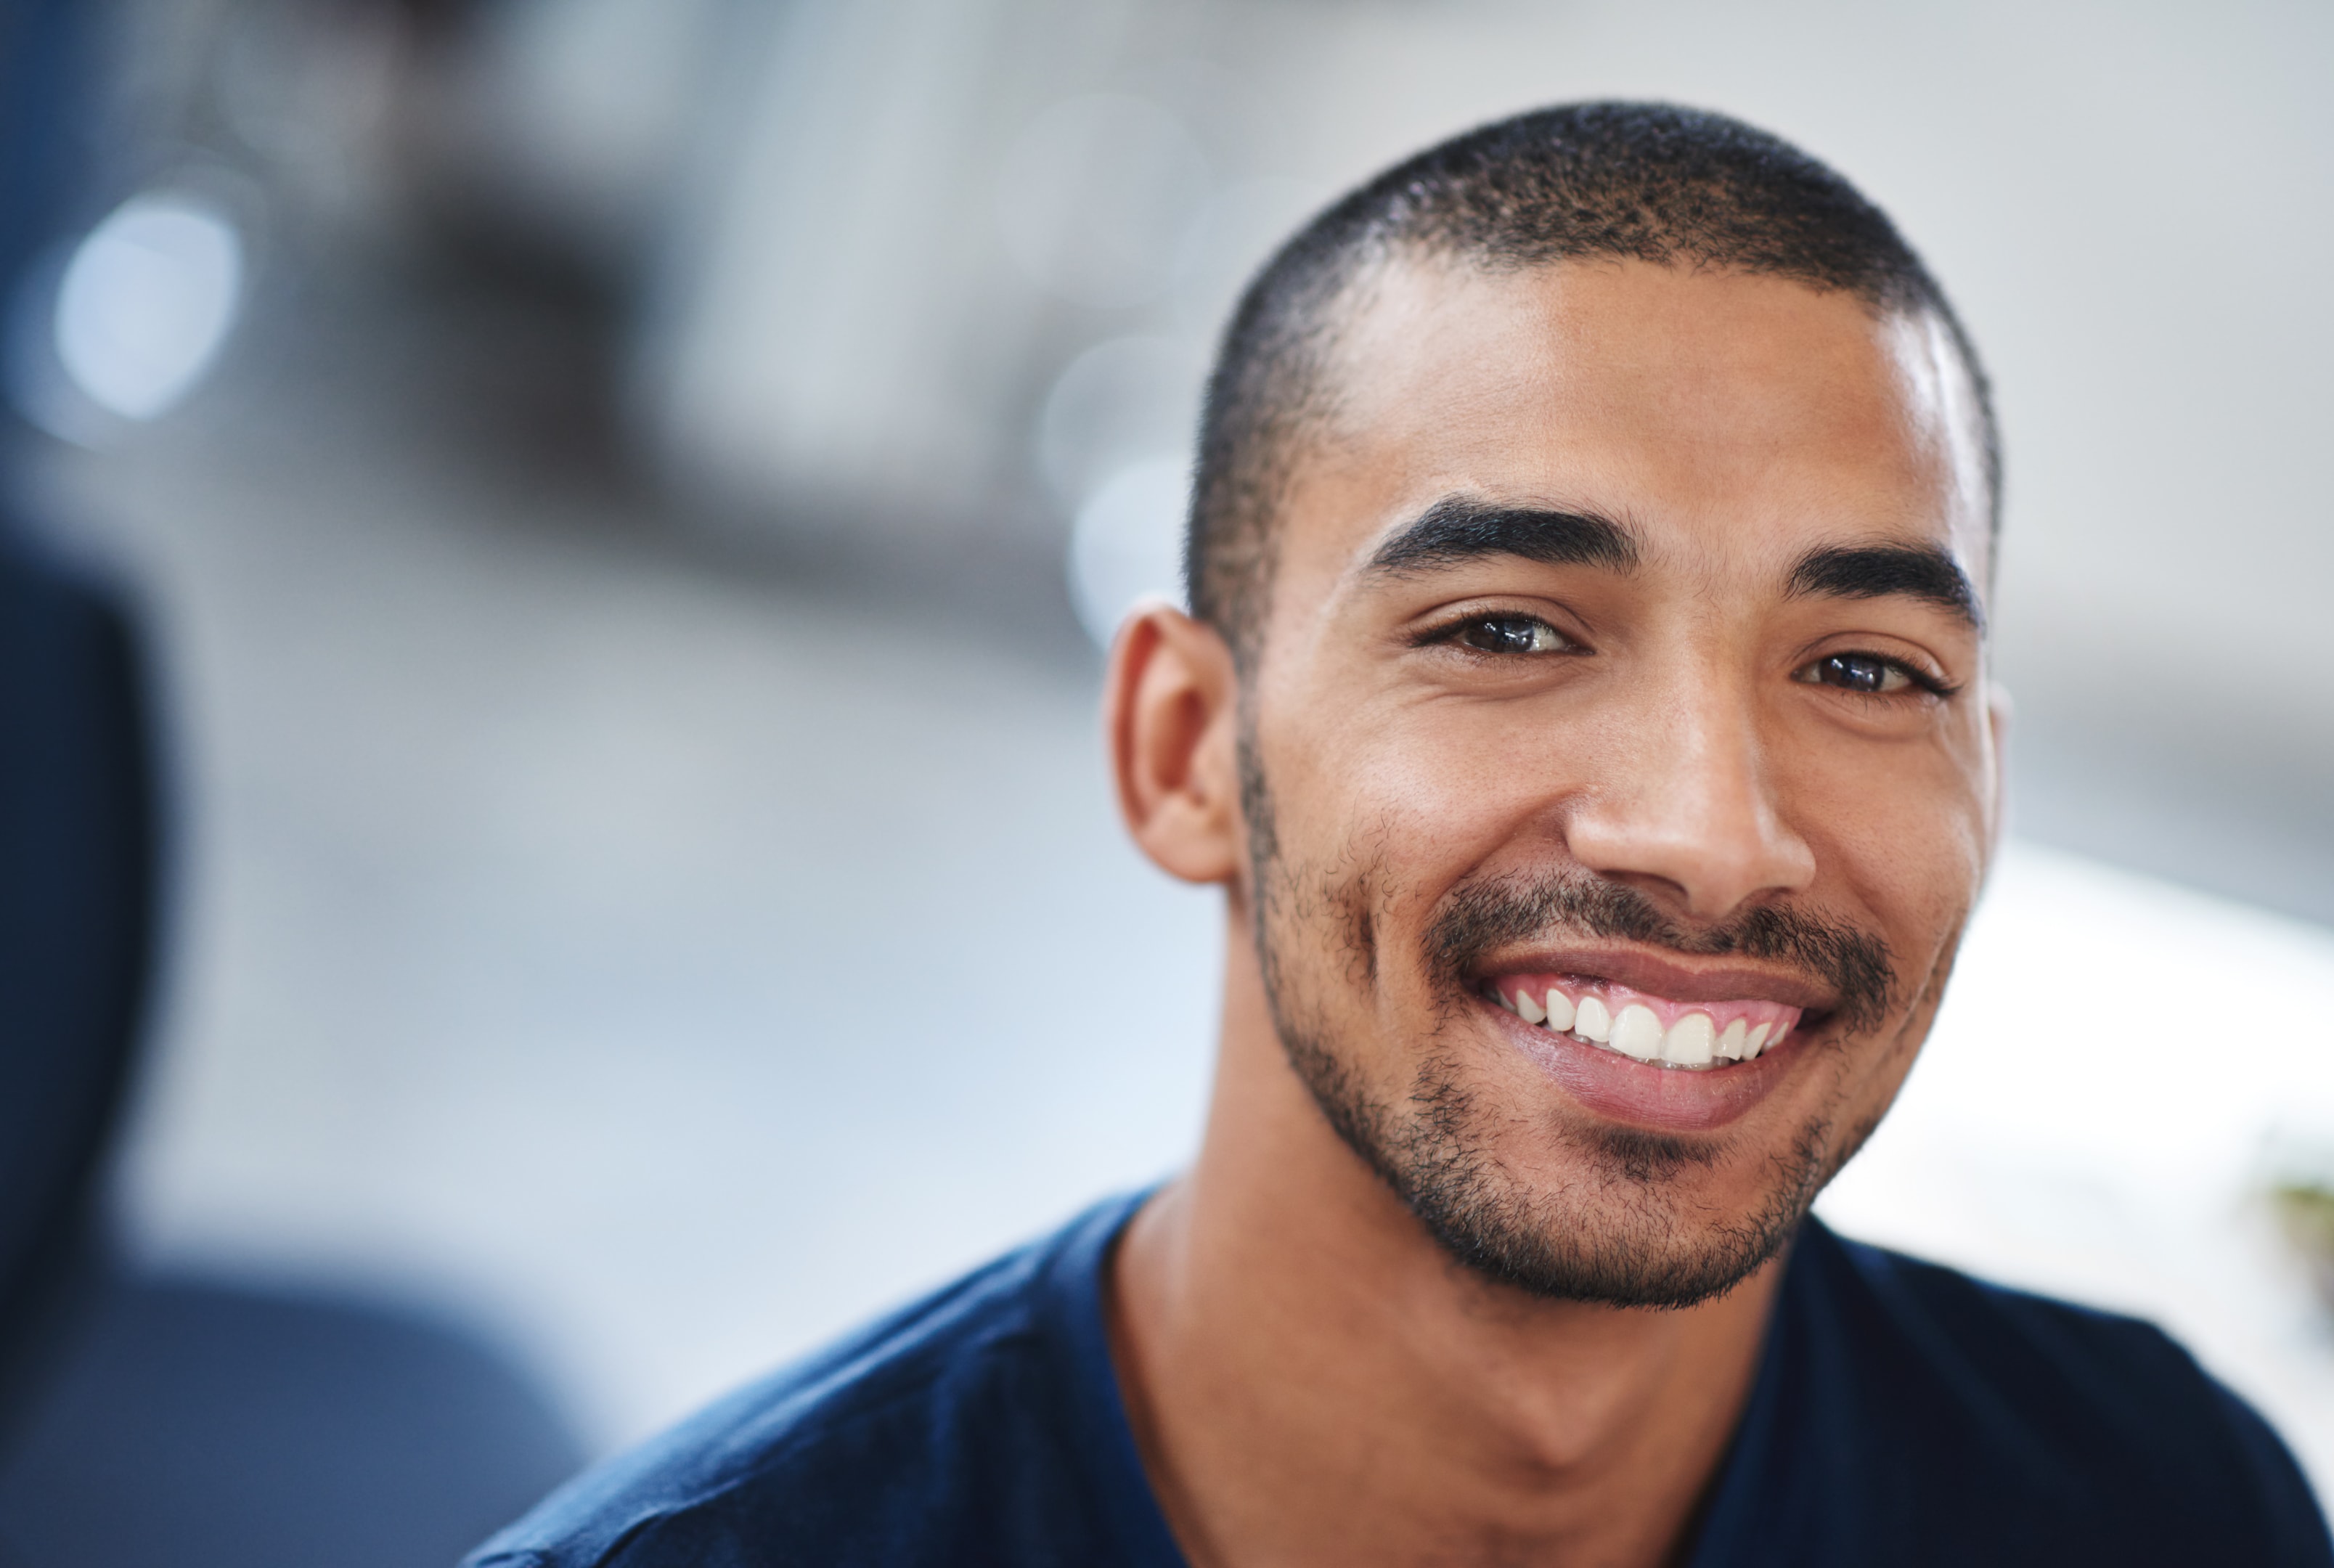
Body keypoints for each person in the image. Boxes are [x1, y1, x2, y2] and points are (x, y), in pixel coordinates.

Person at [467, 102, 2333, 1567]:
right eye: (1507, 632)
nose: (1710, 835)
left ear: (1987, 788)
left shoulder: (2166, 1509)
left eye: (1861, 667)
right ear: (1189, 750)